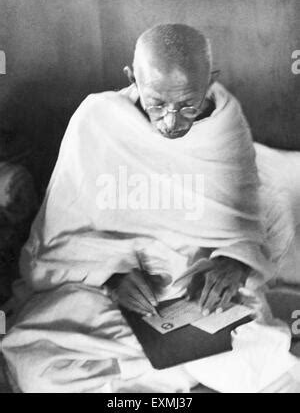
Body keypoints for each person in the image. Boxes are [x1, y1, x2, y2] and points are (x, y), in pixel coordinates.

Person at [3, 24, 294, 393]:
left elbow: (245, 224)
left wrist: (233, 264)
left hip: (192, 288)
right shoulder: (96, 120)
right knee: (36, 365)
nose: (171, 122)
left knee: (266, 360)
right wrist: (111, 277)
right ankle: (162, 376)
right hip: (95, 292)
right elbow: (57, 237)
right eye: (157, 103)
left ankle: (143, 377)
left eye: (188, 104)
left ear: (210, 81)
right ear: (131, 78)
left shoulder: (226, 124)